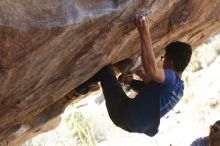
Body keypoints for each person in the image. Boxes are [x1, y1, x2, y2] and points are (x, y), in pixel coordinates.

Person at [70, 15, 192, 136]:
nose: (163, 61)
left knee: (105, 70)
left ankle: (79, 89)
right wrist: (130, 81)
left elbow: (151, 70)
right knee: (125, 80)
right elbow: (150, 91)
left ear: (170, 63)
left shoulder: (171, 78)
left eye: (164, 59)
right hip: (133, 123)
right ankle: (97, 82)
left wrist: (144, 33)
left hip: (123, 113)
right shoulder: (179, 89)